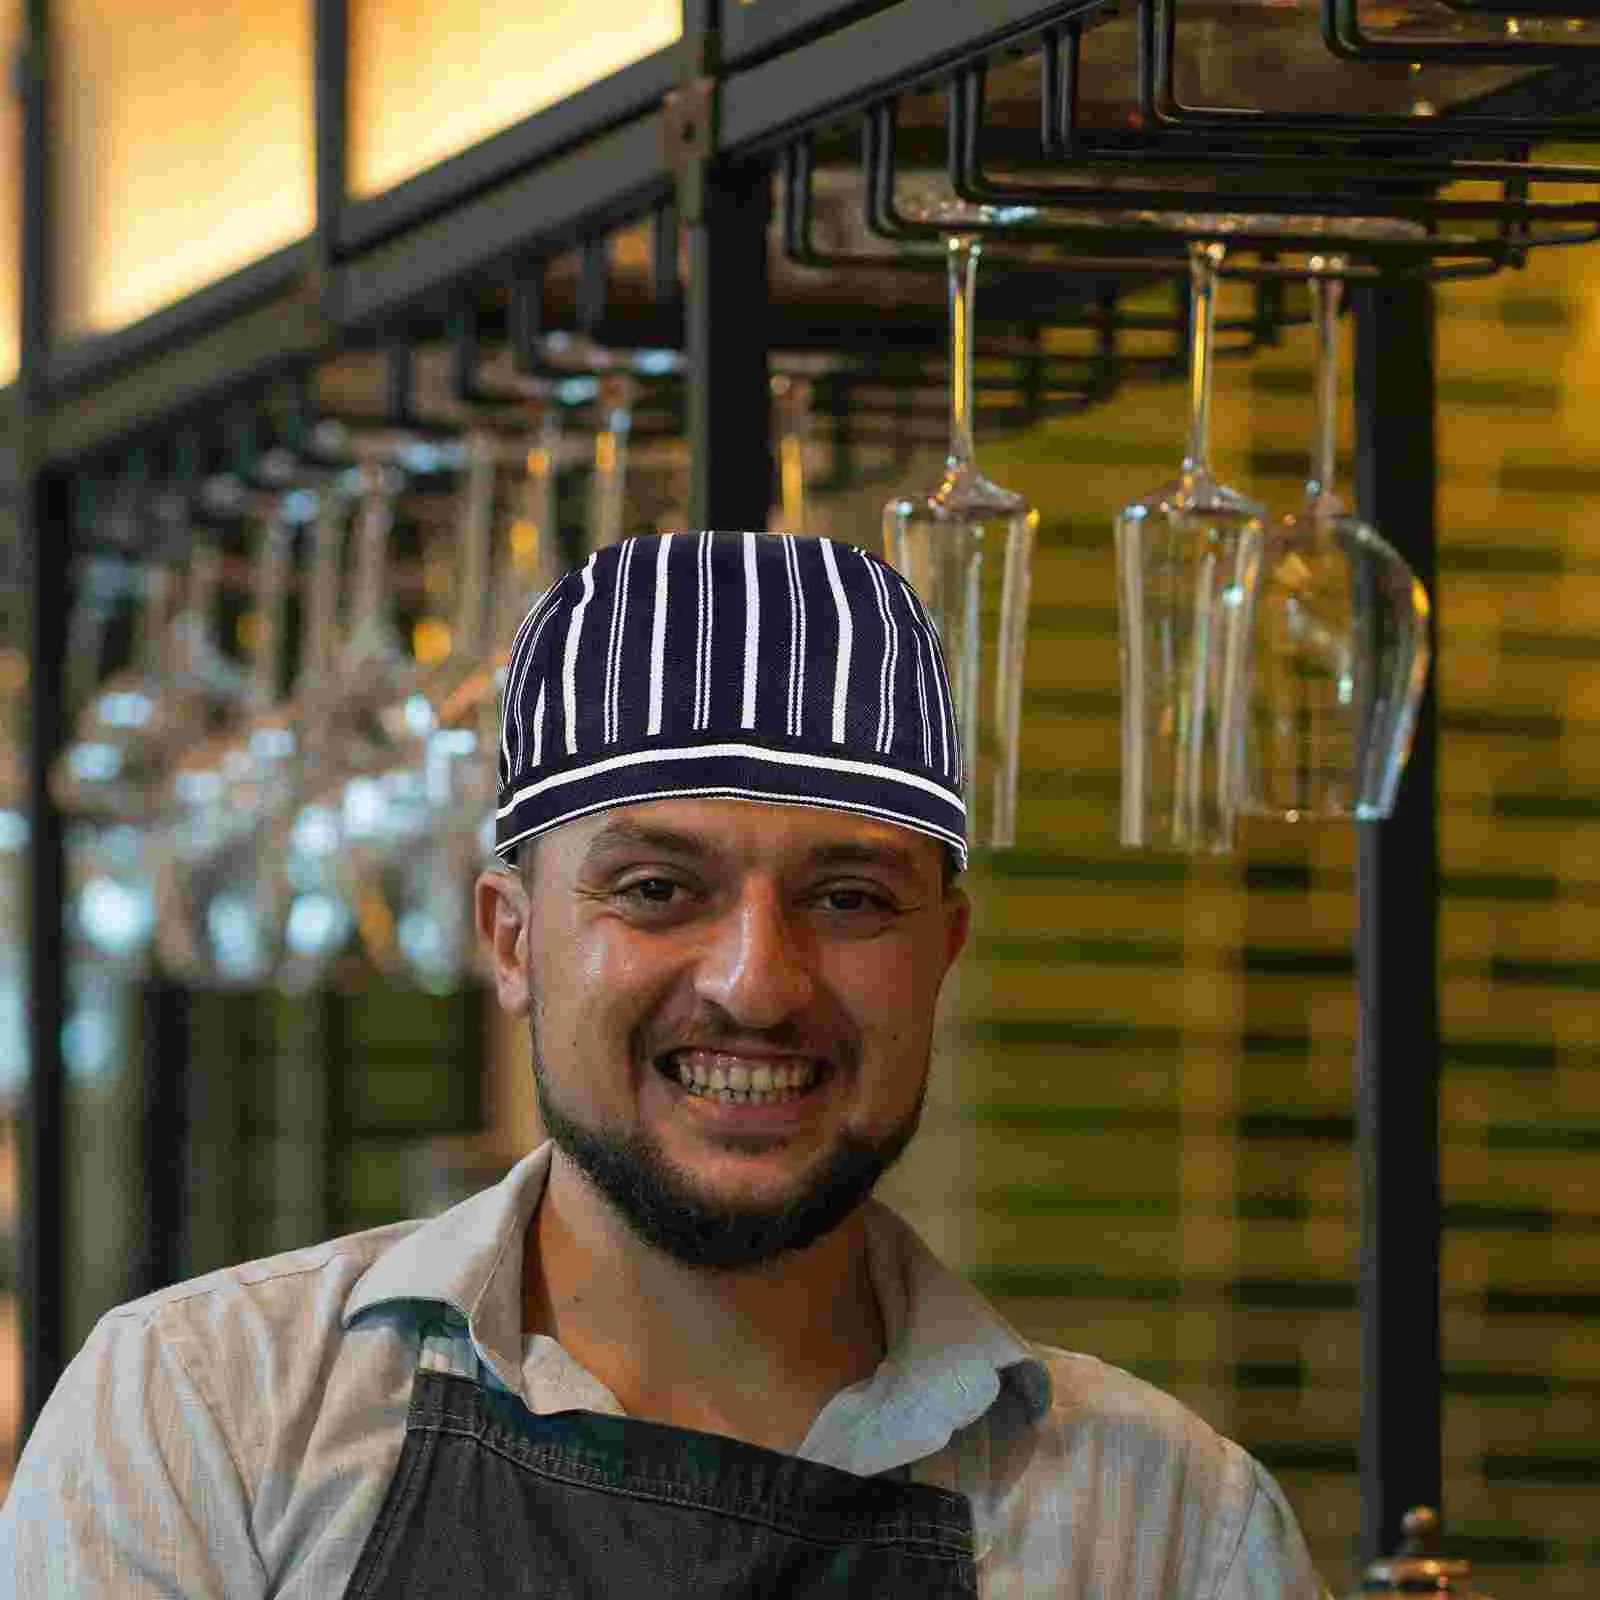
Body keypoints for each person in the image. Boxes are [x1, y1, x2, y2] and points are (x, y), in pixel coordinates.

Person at [0, 531, 1331, 1596]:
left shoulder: (1171, 1532)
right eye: (655, 889)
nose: (757, 982)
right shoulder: (208, 1422)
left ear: (943, 949)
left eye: (850, 898)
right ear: (512, 940)